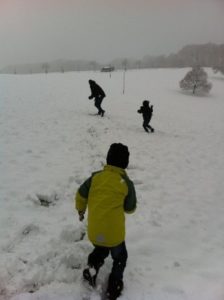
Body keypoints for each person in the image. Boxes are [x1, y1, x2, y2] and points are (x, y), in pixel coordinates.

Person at [75, 143, 137, 299]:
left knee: (101, 249)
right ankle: (115, 283)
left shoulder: (95, 178)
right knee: (120, 257)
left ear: (108, 160)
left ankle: (92, 267)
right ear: (126, 163)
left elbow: (81, 194)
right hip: (114, 235)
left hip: (95, 232)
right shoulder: (126, 183)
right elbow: (130, 208)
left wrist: (81, 210)